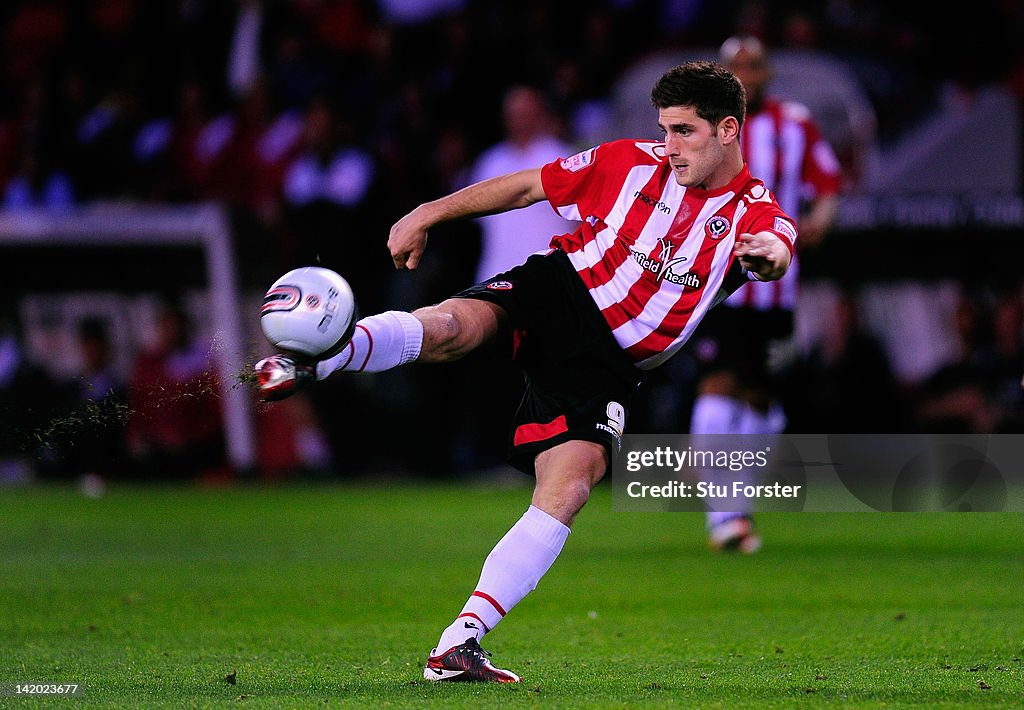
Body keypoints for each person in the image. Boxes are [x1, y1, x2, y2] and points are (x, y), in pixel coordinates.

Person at [256, 61, 797, 682]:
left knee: (570, 487)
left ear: (728, 130)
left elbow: (778, 248)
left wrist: (767, 255)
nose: (669, 147)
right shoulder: (628, 161)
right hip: (562, 288)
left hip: (606, 363)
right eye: (664, 130)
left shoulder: (753, 209)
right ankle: (314, 360)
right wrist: (427, 213)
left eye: (684, 132)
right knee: (456, 328)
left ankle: (458, 644)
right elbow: (524, 188)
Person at [685, 36, 843, 553]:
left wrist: (818, 221)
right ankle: (722, 516)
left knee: (761, 399)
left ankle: (737, 510)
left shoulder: (794, 124)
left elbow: (827, 184)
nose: (747, 76)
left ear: (767, 72)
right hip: (715, 285)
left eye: (754, 67)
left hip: (776, 289)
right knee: (716, 385)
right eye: (738, 68)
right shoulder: (705, 128)